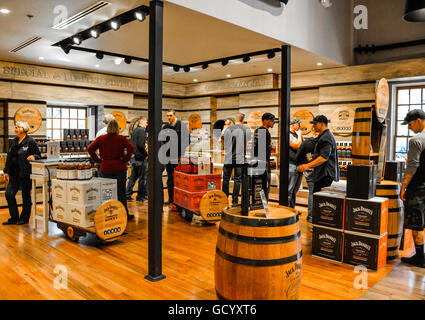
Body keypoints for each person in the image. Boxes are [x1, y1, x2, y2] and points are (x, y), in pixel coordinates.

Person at [88, 119, 135, 219]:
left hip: (106, 168)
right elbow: (131, 148)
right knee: (121, 192)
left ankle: (107, 214)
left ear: (108, 128)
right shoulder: (122, 138)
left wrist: (98, 160)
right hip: (119, 167)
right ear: (117, 128)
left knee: (106, 193)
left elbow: (90, 149)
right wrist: (125, 160)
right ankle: (124, 214)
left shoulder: (101, 138)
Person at [399, 109, 425, 268]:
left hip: (417, 188)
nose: (409, 128)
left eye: (410, 124)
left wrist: (404, 186)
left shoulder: (416, 140)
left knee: (417, 223)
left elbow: (413, 166)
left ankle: (420, 258)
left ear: (419, 121)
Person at [2, 121, 41, 225]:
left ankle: (24, 218)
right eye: (15, 127)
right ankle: (14, 218)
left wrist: (34, 157)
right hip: (14, 174)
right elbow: (9, 157)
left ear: (24, 129)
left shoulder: (30, 141)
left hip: (25, 174)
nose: (15, 129)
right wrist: (6, 172)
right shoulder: (14, 141)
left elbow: (38, 154)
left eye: (17, 127)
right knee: (9, 194)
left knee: (26, 197)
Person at [297, 115, 339, 194]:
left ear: (322, 124)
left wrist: (307, 165)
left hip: (324, 175)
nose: (313, 126)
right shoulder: (324, 136)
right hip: (322, 174)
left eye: (315, 124)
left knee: (318, 198)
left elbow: (323, 158)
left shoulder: (326, 137)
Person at [222, 113, 251, 206]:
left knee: (226, 179)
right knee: (237, 180)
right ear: (243, 120)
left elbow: (222, 140)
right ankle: (235, 200)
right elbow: (248, 141)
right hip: (239, 158)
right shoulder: (246, 129)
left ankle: (224, 198)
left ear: (235, 120)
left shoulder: (228, 129)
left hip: (228, 157)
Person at [162, 109, 189, 205]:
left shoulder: (182, 126)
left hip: (178, 158)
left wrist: (181, 153)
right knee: (170, 179)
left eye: (170, 115)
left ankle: (179, 200)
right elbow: (162, 140)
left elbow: (187, 140)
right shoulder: (165, 127)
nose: (169, 117)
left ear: (174, 115)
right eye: (167, 116)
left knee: (179, 179)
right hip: (169, 158)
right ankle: (171, 199)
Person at [253, 112, 276, 201]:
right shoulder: (264, 131)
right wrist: (271, 146)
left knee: (258, 184)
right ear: (265, 121)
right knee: (265, 184)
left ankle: (259, 202)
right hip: (262, 162)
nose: (273, 122)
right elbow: (262, 148)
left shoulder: (257, 130)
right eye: (271, 120)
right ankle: (264, 203)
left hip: (257, 161)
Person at [126, 116, 148, 203]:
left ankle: (127, 195)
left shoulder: (134, 131)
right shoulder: (142, 131)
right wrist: (146, 155)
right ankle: (140, 197)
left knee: (132, 178)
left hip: (134, 158)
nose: (147, 124)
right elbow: (141, 145)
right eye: (146, 122)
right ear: (141, 122)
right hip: (140, 158)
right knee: (142, 178)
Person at [296, 134, 318, 223]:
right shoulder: (322, 142)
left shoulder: (306, 143)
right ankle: (315, 216)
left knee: (312, 192)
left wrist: (301, 164)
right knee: (316, 193)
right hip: (319, 169)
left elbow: (298, 156)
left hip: (308, 169)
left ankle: (311, 217)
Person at [288, 117, 303, 208]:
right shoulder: (288, 135)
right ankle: (286, 211)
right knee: (289, 190)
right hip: (291, 165)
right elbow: (297, 146)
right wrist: (300, 135)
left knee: (295, 189)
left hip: (299, 165)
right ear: (293, 125)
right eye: (298, 124)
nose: (300, 126)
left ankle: (292, 209)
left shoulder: (297, 135)